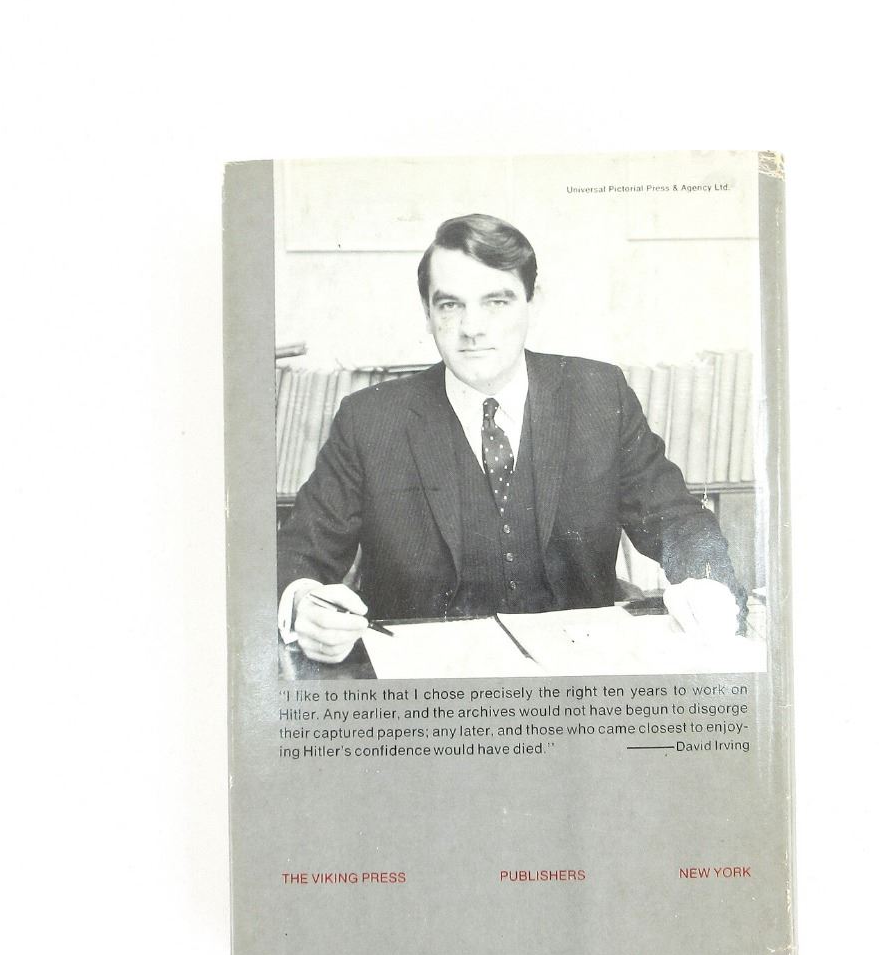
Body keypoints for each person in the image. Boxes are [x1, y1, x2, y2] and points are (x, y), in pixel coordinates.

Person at [278, 213, 744, 664]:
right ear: (427, 313)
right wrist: (304, 606)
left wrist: (707, 585)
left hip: (576, 685)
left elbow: (678, 520)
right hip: (427, 693)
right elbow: (298, 554)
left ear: (532, 303)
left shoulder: (599, 396)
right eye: (450, 305)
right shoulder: (370, 419)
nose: (472, 328)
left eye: (496, 302)